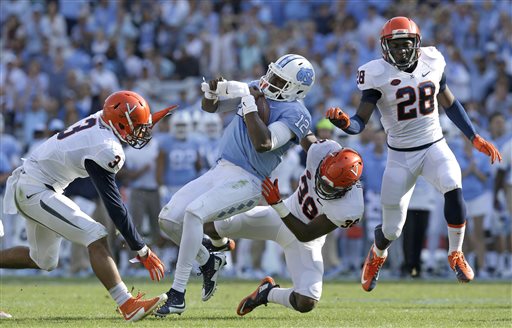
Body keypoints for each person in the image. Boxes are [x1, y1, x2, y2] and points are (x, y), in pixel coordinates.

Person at [325, 17, 502, 291]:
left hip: (434, 145)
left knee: (453, 184)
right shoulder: (375, 74)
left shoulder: (433, 60)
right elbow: (361, 121)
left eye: (405, 44)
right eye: (395, 46)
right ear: (385, 47)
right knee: (392, 230)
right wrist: (347, 124)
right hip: (400, 156)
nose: (401, 51)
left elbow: (450, 103)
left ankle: (455, 253)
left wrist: (473, 136)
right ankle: (377, 254)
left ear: (417, 43)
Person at [156, 54, 317, 316]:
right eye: (271, 74)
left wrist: (250, 103)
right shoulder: (259, 88)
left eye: (278, 80)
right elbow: (211, 107)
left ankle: (177, 294)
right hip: (220, 169)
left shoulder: (297, 113)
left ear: (295, 89)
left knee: (194, 213)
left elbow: (263, 143)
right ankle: (208, 260)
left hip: (249, 179)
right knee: (169, 219)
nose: (269, 81)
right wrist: (210, 93)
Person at [1, 91, 176, 321]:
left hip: (36, 183)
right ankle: (127, 304)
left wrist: (150, 118)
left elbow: (124, 118)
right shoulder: (105, 148)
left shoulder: (105, 120)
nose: (141, 132)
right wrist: (141, 249)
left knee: (43, 260)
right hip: (35, 188)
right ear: (122, 124)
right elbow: (114, 205)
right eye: (138, 127)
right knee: (96, 235)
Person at [204, 139, 364, 315]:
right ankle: (218, 247)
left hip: (304, 237)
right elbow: (300, 132)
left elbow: (305, 234)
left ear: (347, 188)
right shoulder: (322, 151)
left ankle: (268, 293)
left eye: (331, 188)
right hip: (281, 215)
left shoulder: (351, 207)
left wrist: (278, 204)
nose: (323, 187)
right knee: (212, 225)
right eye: (323, 180)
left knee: (306, 301)